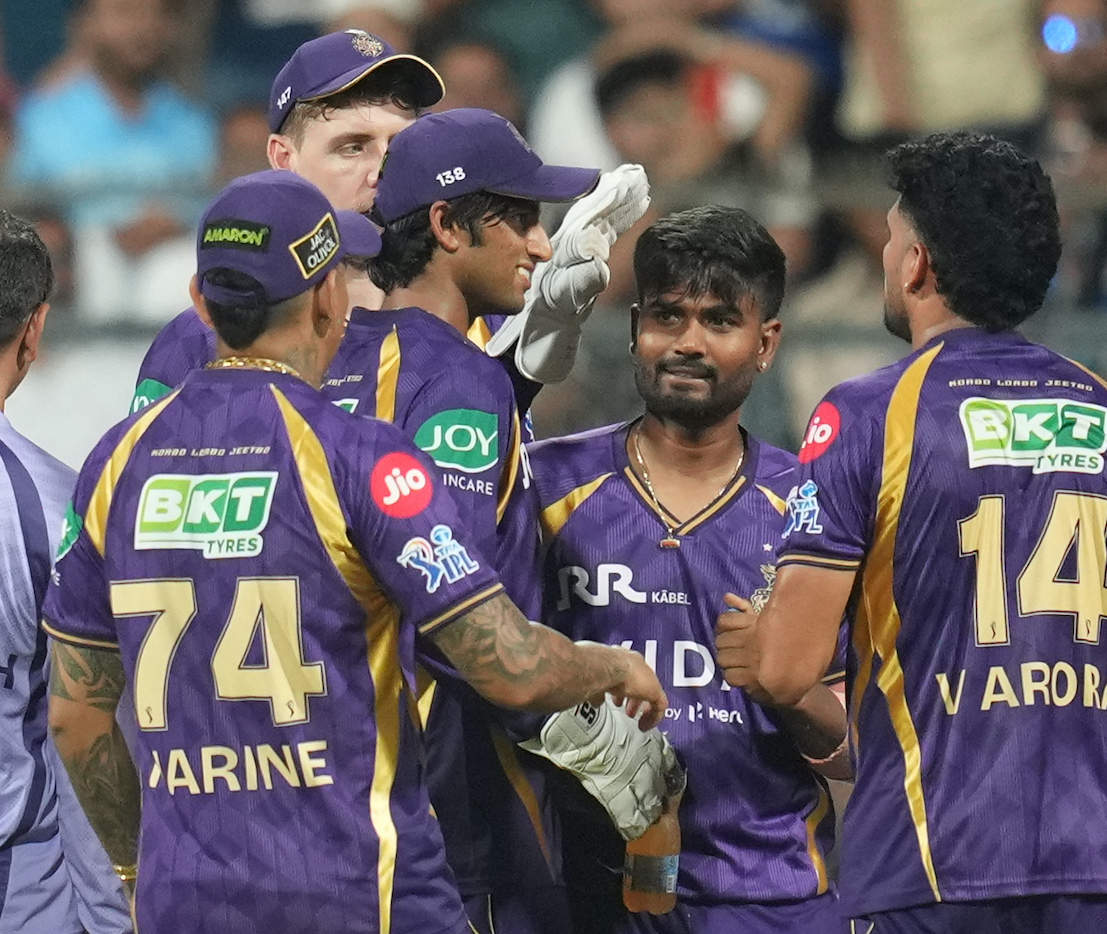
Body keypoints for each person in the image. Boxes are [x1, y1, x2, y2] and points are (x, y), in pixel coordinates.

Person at [42, 169, 668, 934]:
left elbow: (75, 714)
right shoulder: (360, 457)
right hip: (359, 893)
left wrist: (136, 868)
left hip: (188, 902)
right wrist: (610, 668)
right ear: (329, 299)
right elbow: (508, 666)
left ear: (201, 302)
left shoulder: (116, 464)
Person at [713, 131, 1107, 933]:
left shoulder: (867, 414)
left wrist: (759, 644)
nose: (888, 256)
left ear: (916, 263)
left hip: (929, 869)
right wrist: (1036, 637)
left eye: (892, 238)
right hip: (1094, 872)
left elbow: (784, 668)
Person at [360, 106, 666, 933]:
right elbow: (448, 607)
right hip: (454, 793)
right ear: (445, 226)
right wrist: (574, 703)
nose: (539, 244)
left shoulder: (337, 355)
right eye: (520, 218)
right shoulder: (463, 383)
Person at [530, 205, 849, 934]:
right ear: (635, 326)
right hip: (582, 893)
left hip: (768, 898)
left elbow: (861, 746)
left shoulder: (811, 507)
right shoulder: (546, 487)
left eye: (719, 321)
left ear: (766, 342)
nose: (688, 343)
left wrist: (787, 687)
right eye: (667, 316)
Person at [130, 27, 445, 412]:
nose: (380, 173)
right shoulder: (198, 340)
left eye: (400, 147)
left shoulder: (474, 318)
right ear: (284, 159)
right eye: (352, 147)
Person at [0, 211, 128, 934]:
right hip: (20, 878)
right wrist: (114, 915)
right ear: (35, 330)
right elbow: (78, 722)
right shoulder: (54, 512)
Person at [9, 0, 217, 325]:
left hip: (173, 265)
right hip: (77, 283)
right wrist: (109, 232)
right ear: (85, 24)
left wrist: (174, 221)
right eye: (125, 13)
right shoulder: (43, 118)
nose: (142, 28)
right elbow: (22, 216)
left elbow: (212, 207)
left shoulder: (194, 122)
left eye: (156, 14)